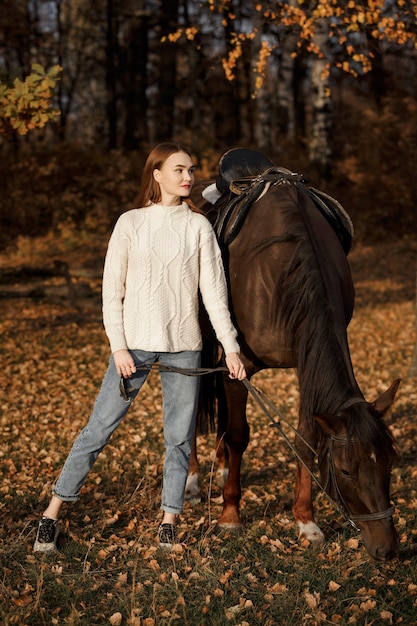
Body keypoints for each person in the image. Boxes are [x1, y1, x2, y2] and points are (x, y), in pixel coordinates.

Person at [33, 142, 246, 553]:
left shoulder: (198, 227)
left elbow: (214, 295)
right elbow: (112, 292)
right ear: (157, 174)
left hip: (184, 348)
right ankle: (51, 515)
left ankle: (169, 521)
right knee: (97, 431)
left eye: (191, 169)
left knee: (179, 439)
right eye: (180, 169)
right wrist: (119, 348)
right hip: (133, 350)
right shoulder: (130, 223)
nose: (189, 177)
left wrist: (231, 348)